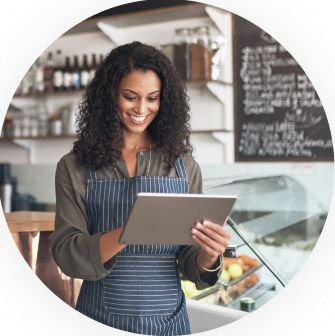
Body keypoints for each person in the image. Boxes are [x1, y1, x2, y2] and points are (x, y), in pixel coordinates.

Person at [51, 41, 231, 335]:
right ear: (109, 98)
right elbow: (67, 253)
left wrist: (209, 255)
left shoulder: (183, 165)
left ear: (165, 101)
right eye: (130, 97)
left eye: (152, 98)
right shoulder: (74, 167)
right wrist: (129, 231)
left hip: (169, 324)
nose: (142, 109)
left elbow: (189, 259)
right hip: (97, 318)